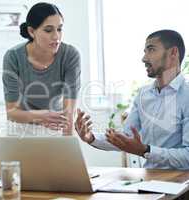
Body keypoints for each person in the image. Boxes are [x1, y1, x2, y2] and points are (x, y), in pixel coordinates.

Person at [75, 29, 189, 169]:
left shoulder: (186, 96)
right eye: (145, 51)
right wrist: (90, 137)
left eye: (151, 50)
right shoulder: (143, 95)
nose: (144, 58)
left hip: (181, 185)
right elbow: (125, 138)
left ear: (173, 53)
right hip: (149, 181)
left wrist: (145, 150)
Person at [2, 2, 81, 135]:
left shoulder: (70, 55)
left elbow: (68, 115)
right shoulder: (13, 57)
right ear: (31, 31)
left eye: (59, 29)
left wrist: (67, 146)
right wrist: (40, 116)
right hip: (22, 128)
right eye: (48, 30)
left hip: (55, 126)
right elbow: (11, 112)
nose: (56, 36)